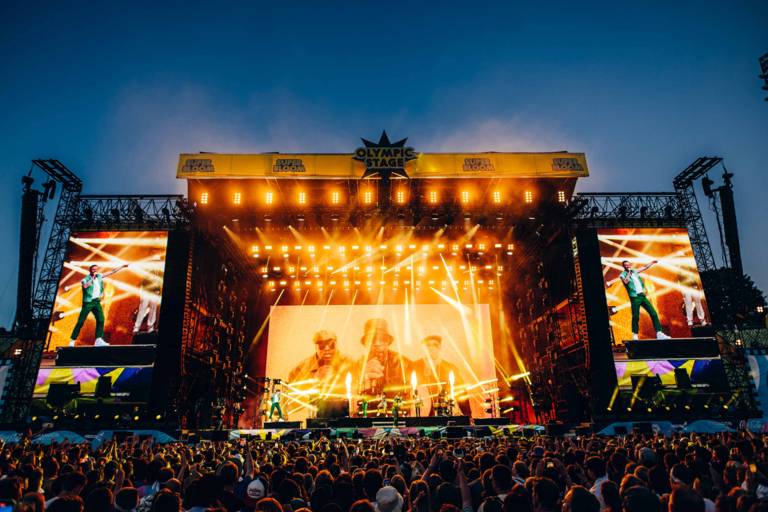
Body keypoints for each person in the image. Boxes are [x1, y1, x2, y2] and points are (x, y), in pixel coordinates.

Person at [69, 263, 129, 347]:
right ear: (90, 270)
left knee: (101, 319)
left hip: (96, 302)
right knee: (80, 322)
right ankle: (72, 340)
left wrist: (122, 266)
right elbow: (85, 286)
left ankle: (98, 340)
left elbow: (112, 272)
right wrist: (92, 279)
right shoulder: (85, 279)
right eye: (93, 270)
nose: (95, 271)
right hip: (88, 303)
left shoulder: (100, 276)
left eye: (96, 270)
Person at [412, 335, 470, 416]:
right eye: (428, 345)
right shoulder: (415, 366)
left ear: (440, 348)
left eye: (435, 345)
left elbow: (461, 392)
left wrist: (467, 415)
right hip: (421, 412)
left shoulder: (449, 367)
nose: (431, 348)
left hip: (443, 411)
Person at [354, 318, 412, 397]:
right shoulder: (358, 365)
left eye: (382, 339)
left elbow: (413, 394)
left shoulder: (404, 363)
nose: (377, 344)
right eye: (372, 340)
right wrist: (365, 382)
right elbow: (353, 398)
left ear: (388, 342)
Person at [618, 260, 670, 341]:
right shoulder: (622, 274)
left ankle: (659, 333)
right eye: (626, 265)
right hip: (635, 297)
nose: (628, 266)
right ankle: (635, 334)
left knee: (653, 313)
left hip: (642, 296)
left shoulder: (635, 271)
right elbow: (626, 282)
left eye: (629, 264)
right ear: (623, 266)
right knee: (635, 316)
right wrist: (628, 274)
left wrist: (652, 263)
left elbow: (645, 267)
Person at [287, 330, 354, 385]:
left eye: (331, 345)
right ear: (316, 347)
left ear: (336, 345)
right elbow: (290, 391)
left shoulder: (349, 363)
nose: (327, 349)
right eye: (322, 345)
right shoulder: (302, 369)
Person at [133, 256, 163, 334]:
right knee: (143, 308)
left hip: (155, 291)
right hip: (146, 290)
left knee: (153, 309)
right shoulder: (147, 269)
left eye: (157, 262)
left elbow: (160, 281)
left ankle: (150, 327)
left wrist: (159, 290)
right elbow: (144, 279)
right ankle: (137, 327)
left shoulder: (159, 271)